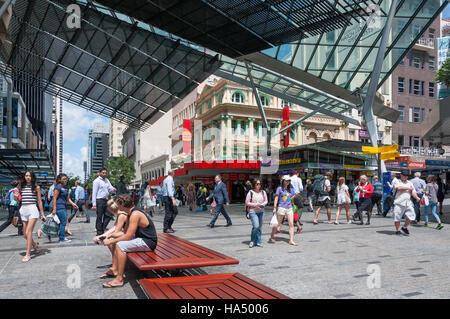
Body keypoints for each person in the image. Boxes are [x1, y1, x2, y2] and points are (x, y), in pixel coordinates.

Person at [101, 194, 157, 288]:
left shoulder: (135, 214)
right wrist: (110, 235)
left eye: (118, 204)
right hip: (140, 239)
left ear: (122, 204)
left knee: (120, 245)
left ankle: (119, 279)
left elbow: (127, 237)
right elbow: (125, 232)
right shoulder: (130, 213)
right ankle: (114, 268)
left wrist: (110, 241)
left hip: (148, 242)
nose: (117, 206)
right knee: (115, 241)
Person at [93, 199, 130, 279]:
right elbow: (115, 228)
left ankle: (115, 267)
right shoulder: (120, 214)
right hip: (129, 235)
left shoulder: (121, 216)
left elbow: (116, 231)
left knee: (112, 242)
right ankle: (115, 265)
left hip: (131, 236)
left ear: (111, 210)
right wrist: (103, 235)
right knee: (111, 241)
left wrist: (102, 237)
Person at [18, 171, 46, 262]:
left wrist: (42, 214)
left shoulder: (36, 187)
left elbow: (39, 201)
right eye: (26, 175)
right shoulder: (21, 186)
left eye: (29, 176)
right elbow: (18, 199)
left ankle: (28, 254)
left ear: (32, 177)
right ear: (24, 177)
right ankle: (35, 245)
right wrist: (15, 197)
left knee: (29, 232)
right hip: (23, 209)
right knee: (25, 234)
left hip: (32, 209)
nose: (28, 177)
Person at [270, 175, 297, 246]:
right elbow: (276, 198)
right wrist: (274, 207)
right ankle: (272, 235)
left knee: (291, 224)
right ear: (283, 181)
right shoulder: (279, 188)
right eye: (286, 180)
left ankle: (291, 240)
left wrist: (294, 196)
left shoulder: (291, 189)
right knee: (278, 224)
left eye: (289, 181)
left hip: (289, 208)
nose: (288, 182)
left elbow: (291, 198)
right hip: (281, 207)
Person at [392, 171, 420, 236]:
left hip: (408, 202)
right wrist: (408, 188)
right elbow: (398, 188)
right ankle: (397, 230)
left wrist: (417, 197)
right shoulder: (397, 181)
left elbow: (413, 192)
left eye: (407, 176)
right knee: (397, 217)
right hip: (399, 202)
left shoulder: (410, 183)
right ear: (401, 175)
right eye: (404, 175)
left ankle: (404, 227)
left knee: (412, 216)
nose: (405, 177)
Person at [52, 173, 78, 243]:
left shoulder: (65, 188)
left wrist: (73, 204)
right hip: (59, 207)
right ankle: (61, 238)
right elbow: (54, 198)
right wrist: (54, 208)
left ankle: (60, 236)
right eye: (64, 179)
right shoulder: (58, 187)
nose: (65, 180)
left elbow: (68, 199)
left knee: (61, 223)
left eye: (66, 179)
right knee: (63, 222)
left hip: (63, 206)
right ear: (59, 180)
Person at [92, 168, 116, 236]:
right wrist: (94, 204)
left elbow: (110, 188)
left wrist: (113, 189)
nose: (104, 174)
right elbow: (94, 192)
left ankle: (102, 228)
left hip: (106, 200)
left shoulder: (106, 180)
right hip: (99, 200)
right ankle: (99, 233)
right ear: (99, 173)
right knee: (99, 216)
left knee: (109, 215)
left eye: (105, 173)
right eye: (103, 173)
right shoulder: (96, 181)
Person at [245, 179, 267, 248]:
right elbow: (247, 202)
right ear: (254, 184)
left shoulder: (263, 192)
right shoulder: (250, 192)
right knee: (256, 226)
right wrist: (255, 204)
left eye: (259, 184)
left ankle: (258, 241)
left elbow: (266, 201)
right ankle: (252, 241)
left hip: (261, 211)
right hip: (253, 212)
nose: (258, 185)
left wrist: (262, 205)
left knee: (259, 227)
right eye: (257, 184)